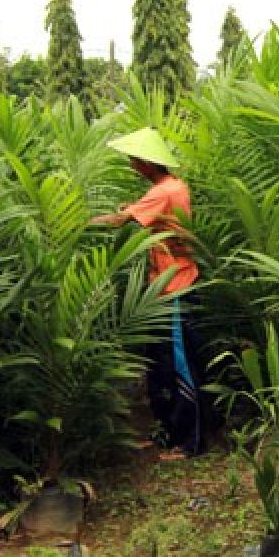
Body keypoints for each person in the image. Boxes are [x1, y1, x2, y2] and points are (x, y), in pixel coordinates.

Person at [91, 127, 207, 457]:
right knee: (159, 365)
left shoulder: (163, 192)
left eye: (133, 160)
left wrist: (78, 223)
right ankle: (166, 433)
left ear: (145, 162)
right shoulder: (170, 187)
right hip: (165, 287)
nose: (130, 164)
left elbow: (117, 221)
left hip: (175, 289)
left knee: (180, 366)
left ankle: (191, 443)